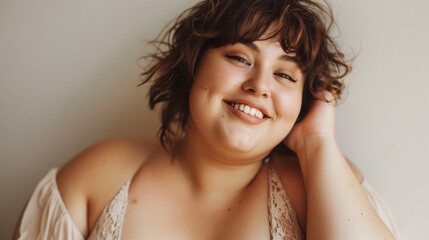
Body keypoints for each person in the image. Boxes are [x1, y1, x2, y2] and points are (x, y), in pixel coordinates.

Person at [14, 0, 399, 239]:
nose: (259, 85)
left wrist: (317, 141)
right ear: (193, 63)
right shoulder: (99, 173)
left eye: (285, 75)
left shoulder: (320, 184)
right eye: (239, 58)